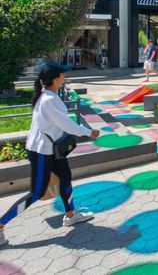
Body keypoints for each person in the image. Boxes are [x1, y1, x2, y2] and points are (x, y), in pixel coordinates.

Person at [0, 62, 100, 246]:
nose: (64, 77)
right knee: (36, 192)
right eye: (62, 75)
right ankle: (0, 224)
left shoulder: (47, 95)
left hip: (51, 148)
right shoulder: (49, 100)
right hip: (40, 151)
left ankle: (70, 214)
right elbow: (66, 125)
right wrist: (89, 132)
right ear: (55, 79)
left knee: (66, 177)